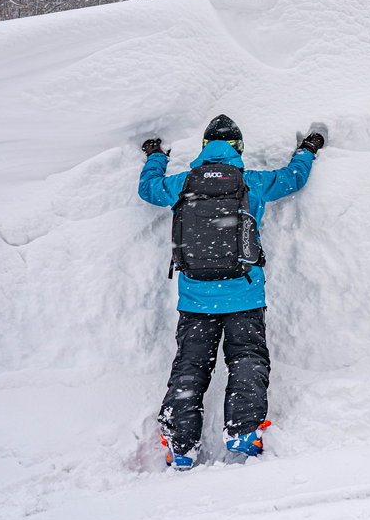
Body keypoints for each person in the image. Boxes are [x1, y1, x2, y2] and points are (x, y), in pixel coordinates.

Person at [138, 114, 325, 469]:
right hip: (244, 293)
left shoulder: (183, 183)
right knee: (247, 360)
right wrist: (307, 150)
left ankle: (180, 444)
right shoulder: (250, 181)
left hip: (195, 296)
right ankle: (242, 431)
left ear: (205, 147)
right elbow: (292, 179)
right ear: (238, 148)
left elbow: (148, 189)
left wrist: (155, 155)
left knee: (190, 366)